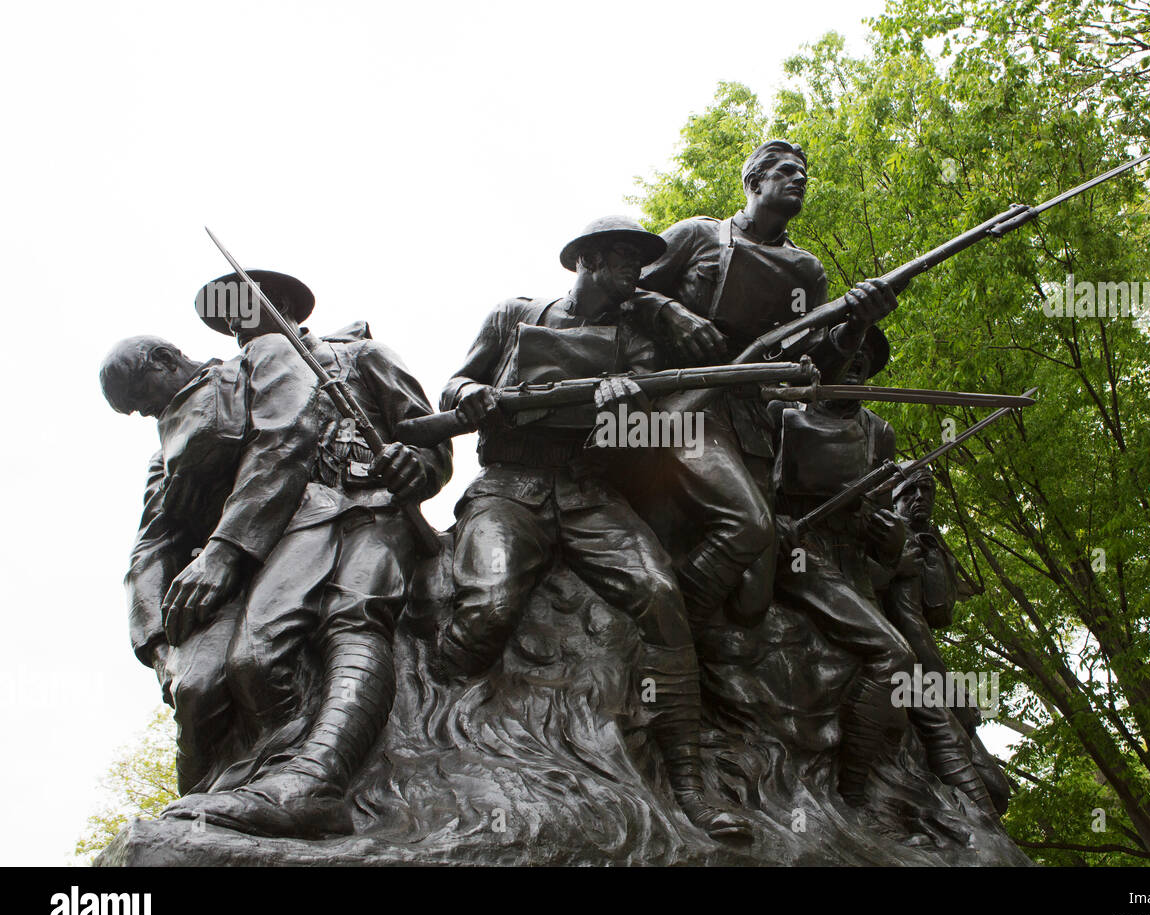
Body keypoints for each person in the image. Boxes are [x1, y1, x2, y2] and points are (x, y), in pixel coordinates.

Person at [437, 216, 749, 840]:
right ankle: (430, 714)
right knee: (489, 609)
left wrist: (624, 414)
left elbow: (649, 442)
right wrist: (470, 394)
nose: (639, 275)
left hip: (586, 494)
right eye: (627, 262)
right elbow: (453, 386)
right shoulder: (513, 315)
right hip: (509, 487)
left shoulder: (635, 344)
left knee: (662, 596)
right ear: (590, 262)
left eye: (639, 263)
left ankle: (687, 782)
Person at [162, 270, 454, 837]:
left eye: (249, 311)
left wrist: (417, 467)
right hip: (290, 529)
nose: (239, 326)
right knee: (254, 653)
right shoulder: (235, 385)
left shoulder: (361, 355)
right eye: (231, 320)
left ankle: (319, 783)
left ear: (289, 307)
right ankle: (266, 778)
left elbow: (429, 439)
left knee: (355, 613)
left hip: (372, 508)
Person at [630, 140, 901, 625]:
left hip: (751, 422)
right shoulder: (698, 236)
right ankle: (663, 633)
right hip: (683, 405)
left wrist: (857, 325)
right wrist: (671, 313)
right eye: (787, 171)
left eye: (804, 175)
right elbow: (622, 290)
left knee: (754, 597)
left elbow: (819, 370)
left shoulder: (808, 272)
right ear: (754, 182)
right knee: (748, 525)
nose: (800, 180)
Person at [768, 337, 999, 817]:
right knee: (892, 655)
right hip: (801, 557)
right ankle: (852, 794)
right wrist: (774, 522)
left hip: (853, 566)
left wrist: (891, 540)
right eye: (848, 362)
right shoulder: (781, 414)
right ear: (823, 364)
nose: (857, 372)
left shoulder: (879, 432)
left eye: (864, 365)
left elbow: (877, 521)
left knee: (922, 696)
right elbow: (748, 483)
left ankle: (978, 811)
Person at [100, 333, 315, 794]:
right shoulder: (162, 459)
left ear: (164, 360)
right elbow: (153, 544)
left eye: (139, 397)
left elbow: (283, 440)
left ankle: (296, 790)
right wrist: (156, 647)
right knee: (194, 691)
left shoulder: (257, 361)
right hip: (219, 579)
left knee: (257, 662)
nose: (142, 414)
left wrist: (224, 551)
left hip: (298, 531)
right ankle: (193, 819)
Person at [888, 464, 1011, 814]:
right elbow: (908, 624)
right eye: (909, 492)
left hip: (926, 668)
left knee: (998, 791)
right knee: (984, 796)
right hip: (903, 672)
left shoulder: (931, 544)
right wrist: (950, 690)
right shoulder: (888, 539)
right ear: (892, 499)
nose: (919, 498)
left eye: (926, 491)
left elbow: (938, 615)